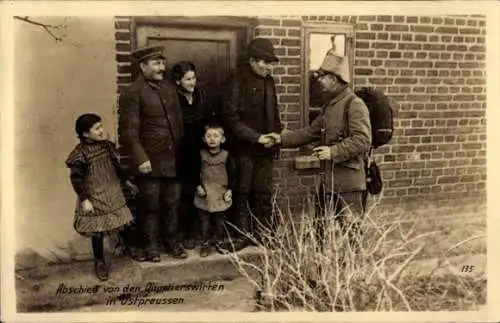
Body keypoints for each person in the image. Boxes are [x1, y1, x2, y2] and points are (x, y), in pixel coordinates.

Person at [264, 52, 371, 249]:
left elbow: (363, 140)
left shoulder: (354, 104)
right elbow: (310, 132)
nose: (319, 81)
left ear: (333, 79)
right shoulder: (329, 106)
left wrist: (333, 151)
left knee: (351, 235)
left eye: (322, 77)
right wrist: (280, 139)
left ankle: (355, 278)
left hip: (348, 184)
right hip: (327, 182)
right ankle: (322, 273)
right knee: (320, 230)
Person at [118, 45, 187, 262]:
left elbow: (178, 124)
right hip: (150, 160)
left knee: (173, 203)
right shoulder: (133, 92)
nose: (162, 67)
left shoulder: (168, 89)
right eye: (157, 63)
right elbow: (129, 131)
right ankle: (151, 247)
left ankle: (172, 242)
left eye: (162, 63)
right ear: (143, 66)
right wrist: (141, 158)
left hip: (173, 159)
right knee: (151, 206)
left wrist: (182, 153)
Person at [221, 38, 282, 249]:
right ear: (252, 61)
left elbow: (274, 114)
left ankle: (263, 233)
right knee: (242, 191)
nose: (268, 67)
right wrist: (255, 137)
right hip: (244, 149)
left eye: (270, 63)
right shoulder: (236, 80)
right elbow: (230, 118)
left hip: (266, 149)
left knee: (263, 192)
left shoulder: (269, 82)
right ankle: (240, 235)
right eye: (265, 63)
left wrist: (276, 139)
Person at [65, 113, 138, 281]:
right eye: (97, 128)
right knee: (98, 231)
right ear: (85, 133)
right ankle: (99, 262)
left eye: (101, 126)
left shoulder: (107, 146)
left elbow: (117, 167)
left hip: (112, 193)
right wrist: (85, 200)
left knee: (123, 221)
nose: (101, 131)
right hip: (94, 196)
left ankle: (131, 249)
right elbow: (76, 180)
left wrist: (126, 182)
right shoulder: (79, 154)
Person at [171, 61, 216, 251]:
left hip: (202, 148)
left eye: (194, 78)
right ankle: (186, 232)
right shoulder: (173, 99)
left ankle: (205, 232)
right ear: (177, 81)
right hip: (182, 151)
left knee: (206, 187)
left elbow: (210, 119)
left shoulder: (202, 95)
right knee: (185, 192)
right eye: (187, 79)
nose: (192, 82)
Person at [193, 124, 236, 257]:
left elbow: (233, 174)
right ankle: (205, 244)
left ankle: (219, 242)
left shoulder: (227, 156)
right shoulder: (200, 155)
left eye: (216, 136)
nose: (212, 139)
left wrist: (230, 190)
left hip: (220, 193)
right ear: (204, 139)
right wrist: (198, 186)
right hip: (204, 193)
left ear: (222, 139)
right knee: (204, 222)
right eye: (209, 136)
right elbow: (194, 172)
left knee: (220, 222)